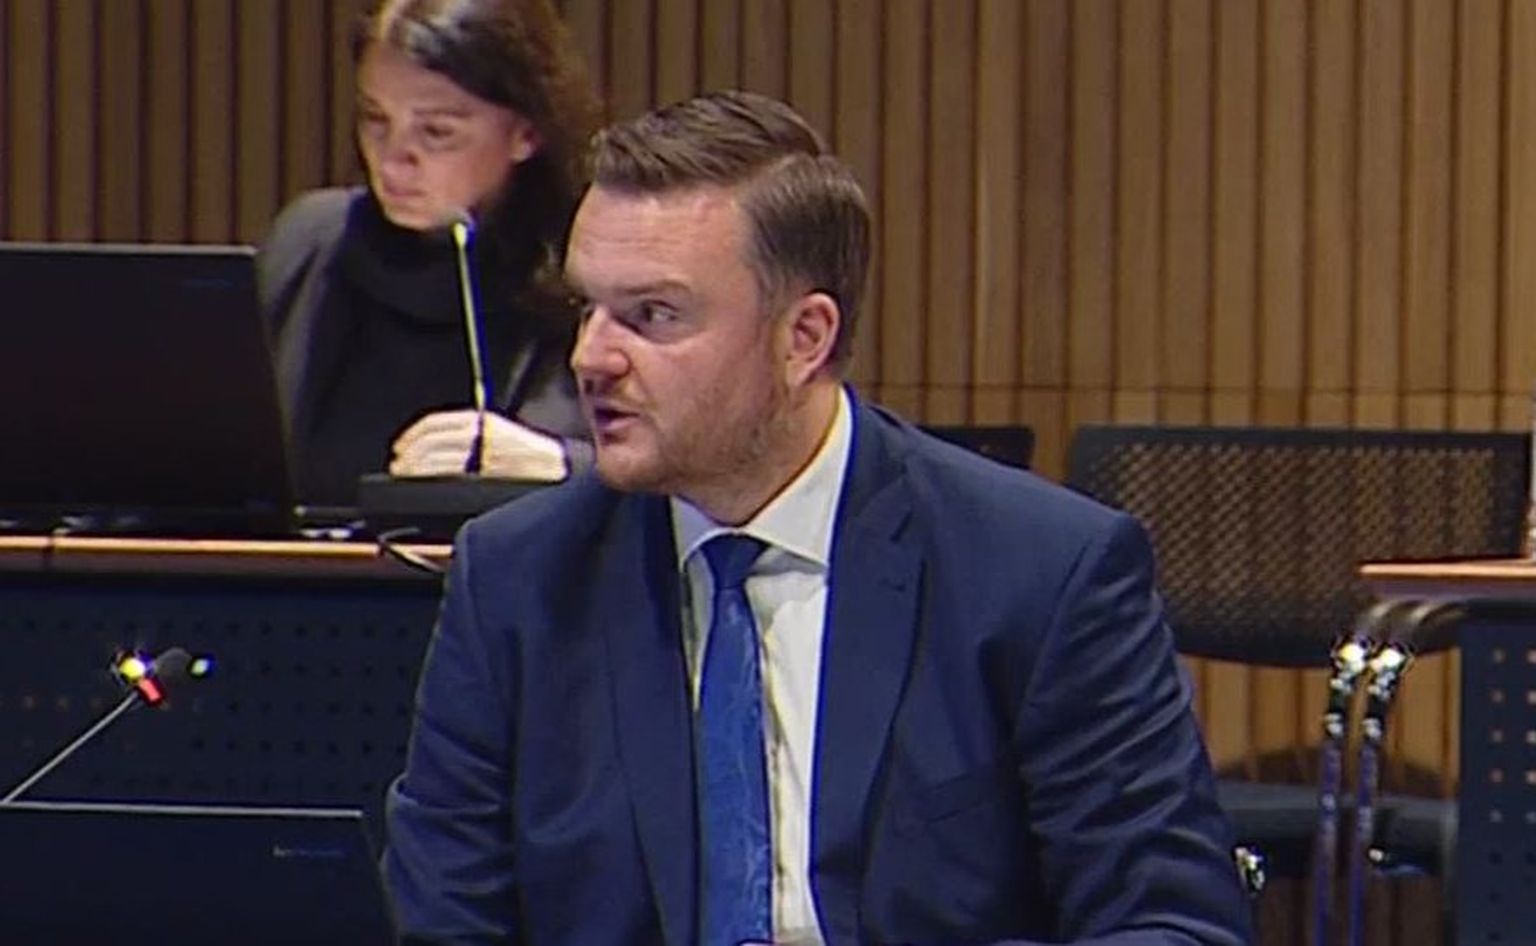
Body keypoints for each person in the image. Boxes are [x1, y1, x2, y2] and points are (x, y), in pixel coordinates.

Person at [383, 90, 1253, 945]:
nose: (592, 357)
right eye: (588, 308)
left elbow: (1171, 924)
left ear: (804, 337)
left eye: (653, 316)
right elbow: (448, 920)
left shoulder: (1038, 574)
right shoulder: (520, 580)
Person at [257, 0, 600, 506]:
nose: (393, 160)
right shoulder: (313, 244)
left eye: (436, 131)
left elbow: (684, 472)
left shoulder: (595, 266)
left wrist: (563, 466)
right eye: (376, 120)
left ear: (527, 132)